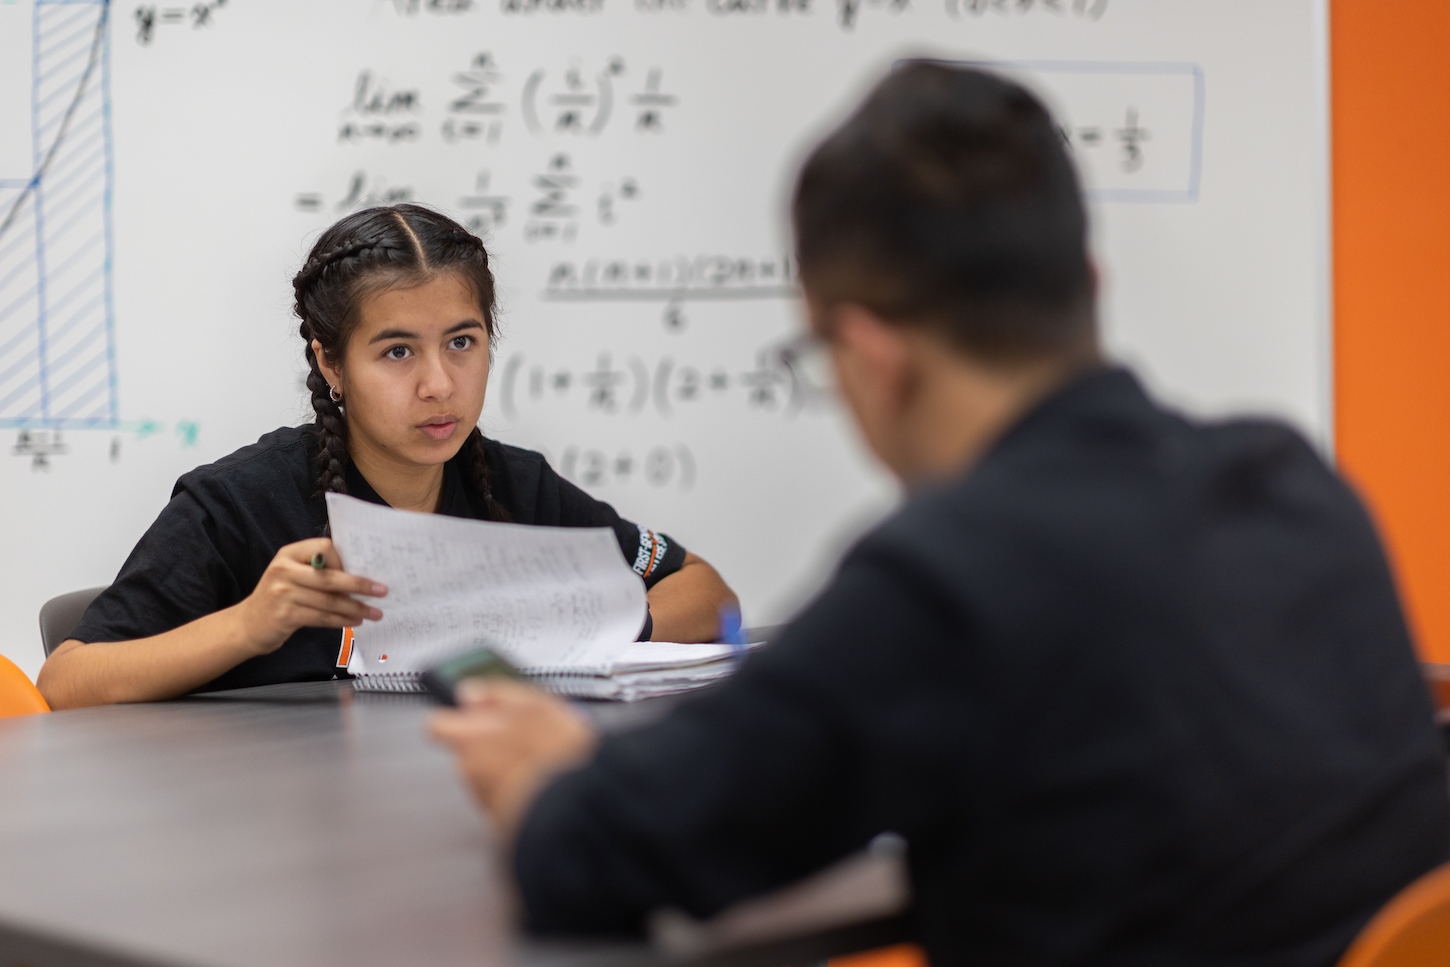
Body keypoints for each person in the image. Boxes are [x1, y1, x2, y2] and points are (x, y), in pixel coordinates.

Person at [428, 62, 1450, 966]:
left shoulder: (949, 580)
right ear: (1087, 284)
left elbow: (595, 855)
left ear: (872, 357)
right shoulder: (1292, 485)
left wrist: (546, 773)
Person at [38, 205, 736, 710]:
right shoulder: (240, 502)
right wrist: (250, 623)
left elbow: (706, 591)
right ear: (330, 361)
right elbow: (67, 681)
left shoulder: (515, 487)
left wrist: (584, 630)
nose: (439, 383)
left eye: (462, 342)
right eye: (397, 352)